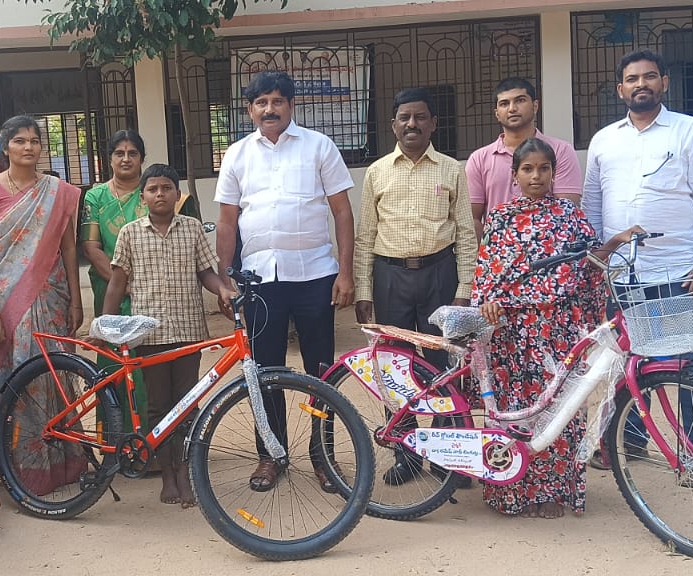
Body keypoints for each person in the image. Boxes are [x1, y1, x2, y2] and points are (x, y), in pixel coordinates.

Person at [474, 137, 645, 519]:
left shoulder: (569, 216)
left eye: (544, 168)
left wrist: (615, 241)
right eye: (527, 169)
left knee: (561, 408)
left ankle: (552, 490)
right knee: (515, 409)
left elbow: (589, 263)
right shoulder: (500, 218)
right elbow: (487, 271)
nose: (536, 176)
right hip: (513, 332)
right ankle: (512, 491)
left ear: (554, 172)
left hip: (559, 329)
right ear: (514, 175)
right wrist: (487, 300)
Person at [583, 50, 693, 470]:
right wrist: (598, 259)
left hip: (678, 271)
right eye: (632, 79)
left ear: (664, 82)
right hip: (621, 276)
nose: (641, 84)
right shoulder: (604, 140)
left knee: (688, 366)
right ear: (620, 89)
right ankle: (630, 442)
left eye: (649, 77)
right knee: (624, 363)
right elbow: (592, 206)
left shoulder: (692, 132)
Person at [214, 70, 355, 493]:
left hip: (315, 276)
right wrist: (225, 279)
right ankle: (270, 454)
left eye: (277, 101)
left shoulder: (319, 146)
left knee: (320, 372)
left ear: (292, 105)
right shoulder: (237, 154)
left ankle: (323, 455)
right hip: (259, 281)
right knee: (265, 371)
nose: (269, 109)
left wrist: (345, 272)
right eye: (261, 102)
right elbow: (227, 222)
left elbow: (342, 212)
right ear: (250, 110)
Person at [353, 87, 476, 487]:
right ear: (393, 125)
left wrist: (464, 288)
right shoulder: (377, 172)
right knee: (395, 368)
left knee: (443, 367)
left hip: (440, 275)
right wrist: (364, 290)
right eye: (404, 117)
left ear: (433, 123)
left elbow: (466, 233)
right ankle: (405, 455)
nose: (412, 124)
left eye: (420, 117)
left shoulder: (451, 169)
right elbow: (365, 236)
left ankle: (445, 456)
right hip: (391, 279)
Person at [101, 163, 237, 508]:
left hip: (188, 332)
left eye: (166, 188)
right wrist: (105, 325)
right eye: (152, 189)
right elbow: (117, 283)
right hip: (150, 337)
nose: (159, 194)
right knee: (159, 405)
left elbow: (205, 272)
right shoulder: (130, 233)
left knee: (187, 405)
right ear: (142, 196)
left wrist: (222, 289)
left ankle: (187, 472)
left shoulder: (192, 229)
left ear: (178, 195)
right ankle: (167, 474)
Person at [0, 115, 86, 496]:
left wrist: (76, 299)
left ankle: (63, 462)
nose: (28, 147)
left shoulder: (57, 191)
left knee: (56, 375)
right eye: (20, 141)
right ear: (5, 147)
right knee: (18, 378)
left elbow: (69, 249)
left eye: (35, 141)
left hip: (53, 297)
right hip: (8, 304)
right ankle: (18, 467)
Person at [80, 129, 202, 435]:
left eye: (132, 153)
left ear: (142, 158)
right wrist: (125, 285)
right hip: (112, 291)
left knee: (161, 376)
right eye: (119, 153)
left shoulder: (164, 193)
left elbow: (196, 258)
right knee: (116, 367)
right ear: (109, 159)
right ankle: (120, 442)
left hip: (160, 300)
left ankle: (164, 444)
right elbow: (91, 247)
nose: (125, 159)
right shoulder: (96, 196)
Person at [466, 77, 583, 238]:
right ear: (497, 114)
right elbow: (472, 219)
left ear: (535, 106)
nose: (512, 109)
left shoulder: (561, 151)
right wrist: (487, 251)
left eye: (520, 100)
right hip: (499, 250)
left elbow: (567, 212)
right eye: (504, 104)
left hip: (550, 248)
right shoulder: (479, 159)